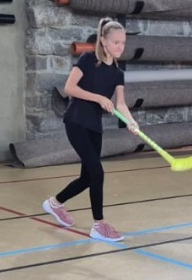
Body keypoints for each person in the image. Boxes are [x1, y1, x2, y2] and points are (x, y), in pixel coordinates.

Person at [42, 18, 140, 243]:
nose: (120, 47)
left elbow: (121, 104)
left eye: (123, 43)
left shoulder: (118, 73)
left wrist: (131, 122)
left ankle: (54, 203)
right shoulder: (88, 60)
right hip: (76, 122)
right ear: (104, 41)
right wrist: (99, 98)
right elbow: (69, 88)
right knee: (97, 172)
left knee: (88, 177)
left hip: (94, 126)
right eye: (116, 42)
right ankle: (99, 225)